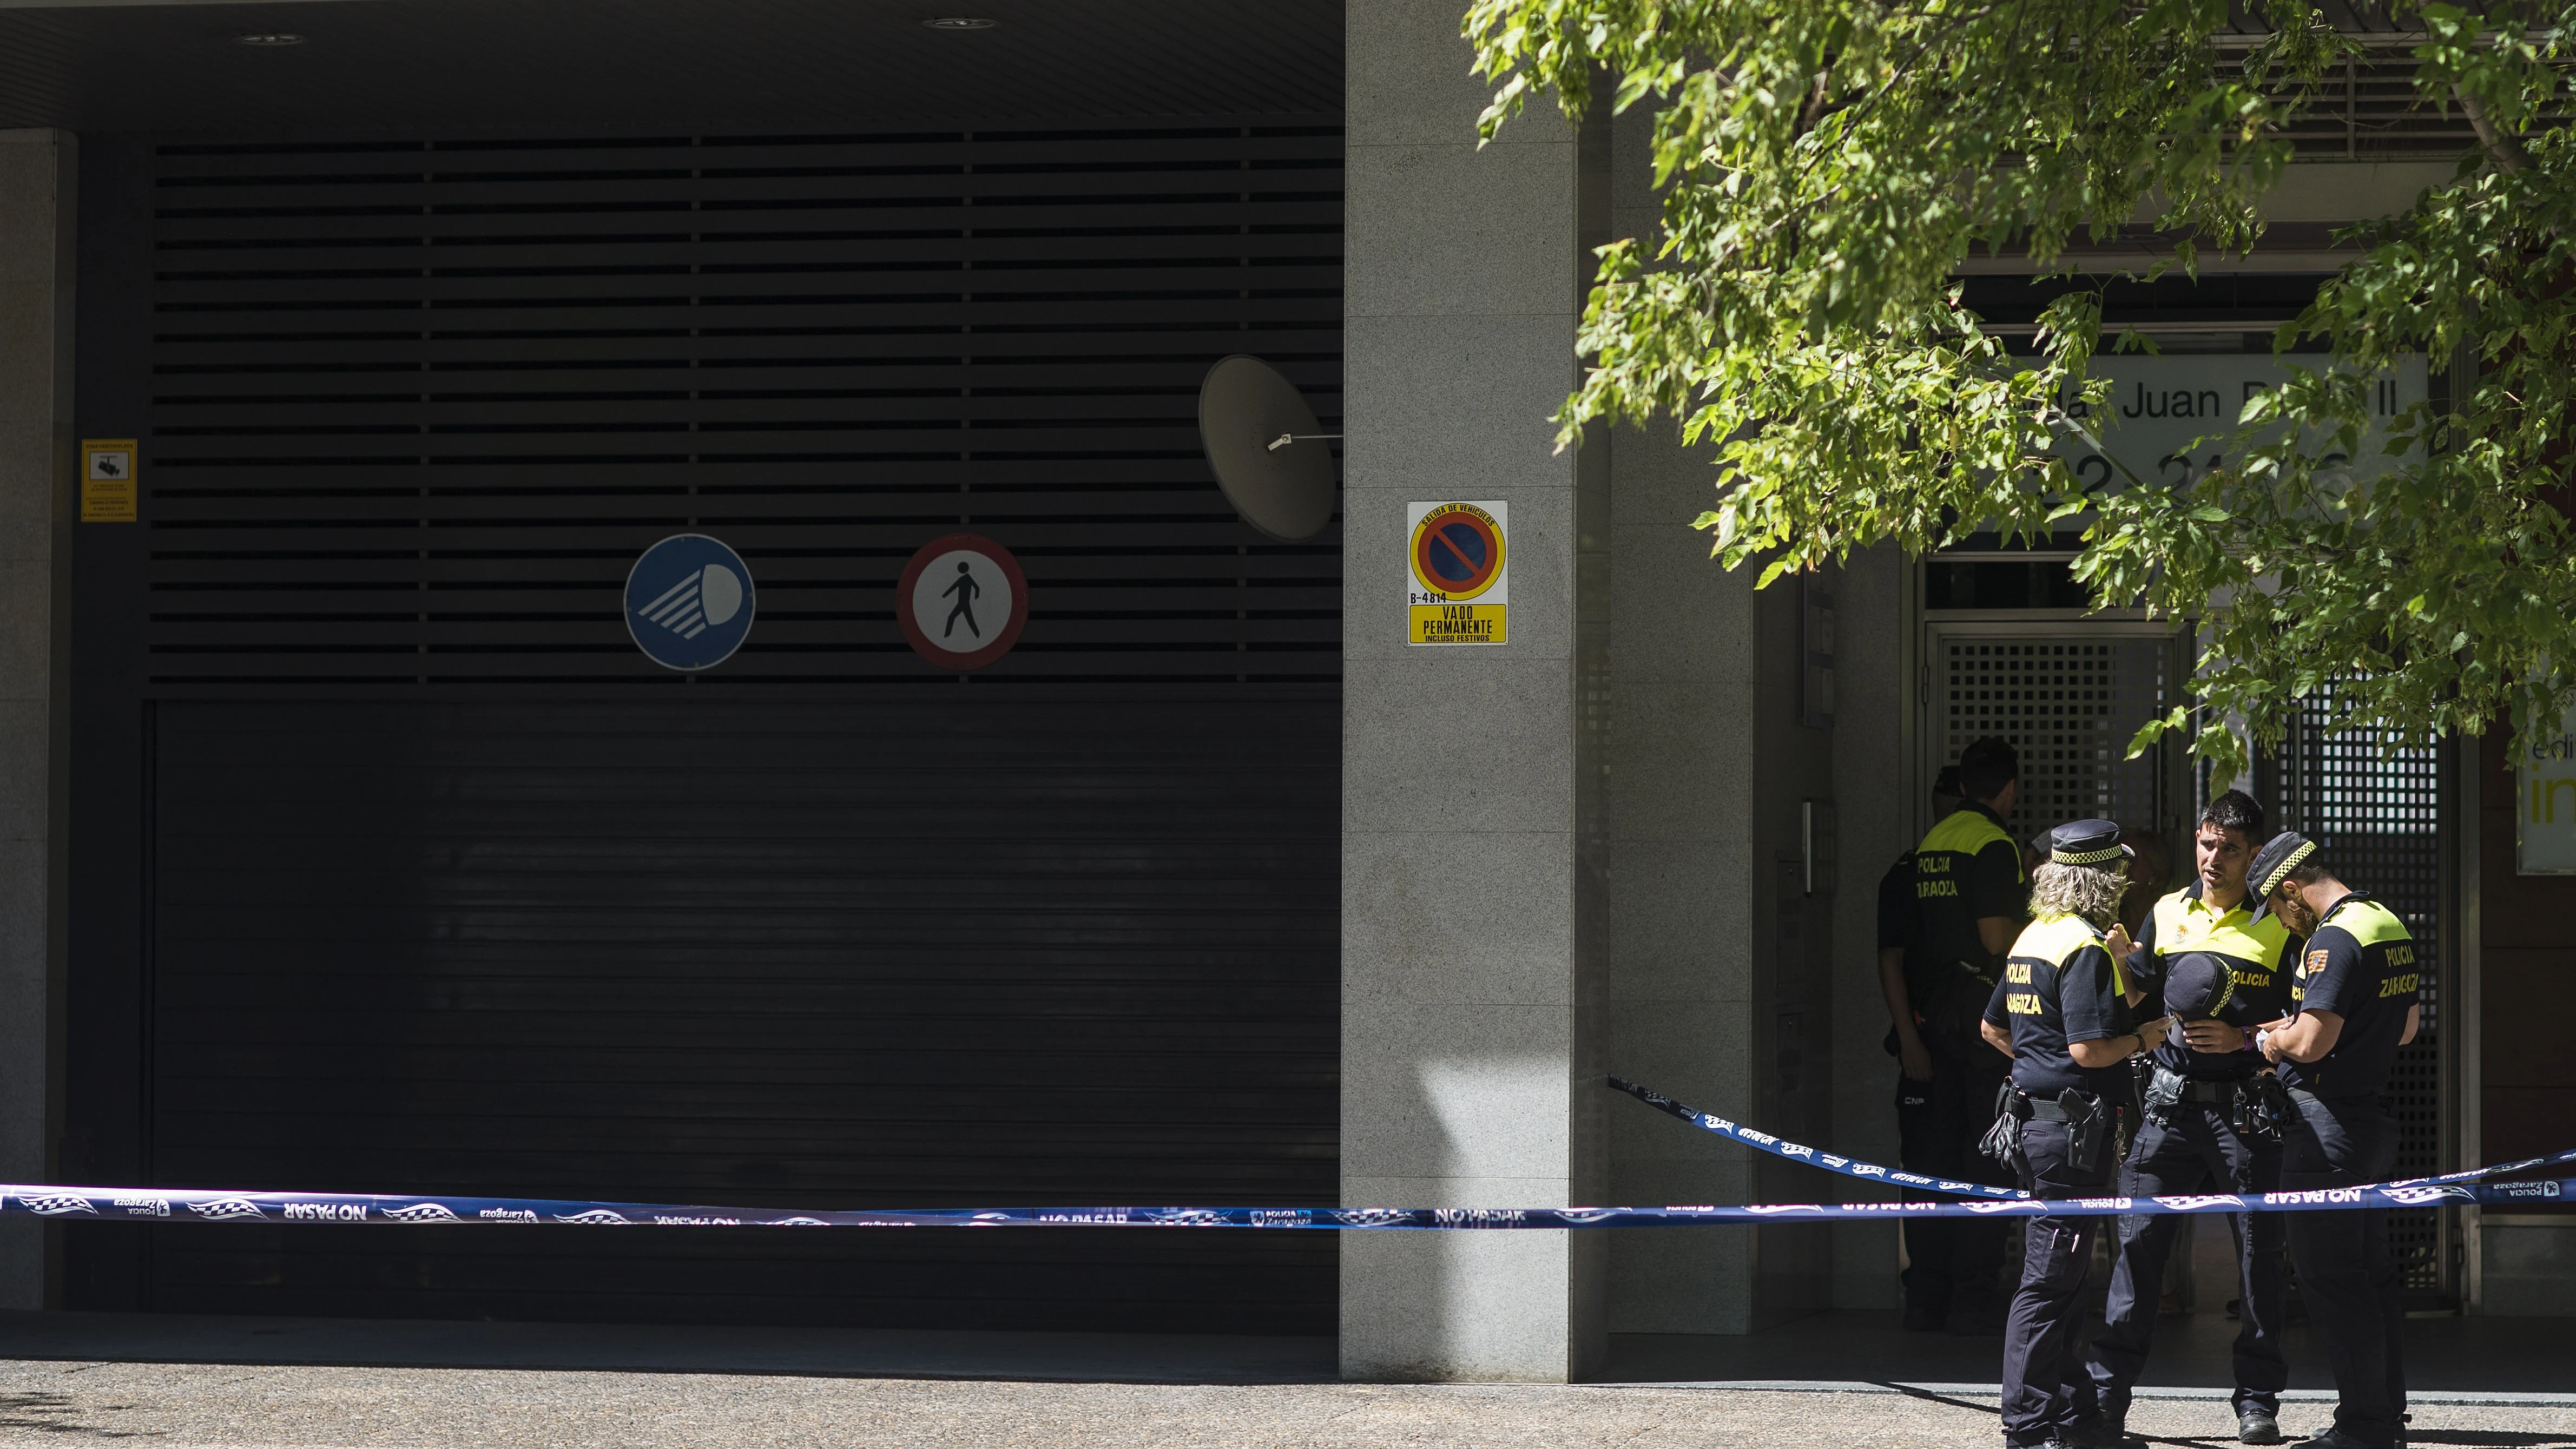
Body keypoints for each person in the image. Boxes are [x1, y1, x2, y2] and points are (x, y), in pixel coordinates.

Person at [2082, 791, 2299, 1446]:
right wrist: (2124, 961)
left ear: (2253, 854)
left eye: (2229, 849)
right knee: (2137, 1253)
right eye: (2206, 844)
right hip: (2169, 1108)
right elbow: (2142, 991)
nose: (2213, 858)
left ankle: (2258, 1401)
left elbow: (2306, 1019)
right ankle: (2107, 1396)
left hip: (2244, 1107)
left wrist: (2246, 1039)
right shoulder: (2167, 910)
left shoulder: (2279, 923)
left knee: (2261, 1259)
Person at [1979, 819, 2171, 1449]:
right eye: (2119, 873)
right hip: (2072, 1136)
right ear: (2102, 879)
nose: (2124, 882)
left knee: (2064, 1277)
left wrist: (2037, 1068)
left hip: (2037, 1125)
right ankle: (2029, 1425)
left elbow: (1994, 1029)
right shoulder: (2082, 947)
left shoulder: (2035, 936)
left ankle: (2074, 1413)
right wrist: (2146, 1037)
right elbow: (2090, 1050)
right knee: (2048, 1280)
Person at [2249, 833, 2423, 1449]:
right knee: (2372, 1275)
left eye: (2274, 906)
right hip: (2372, 1125)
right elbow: (2406, 1028)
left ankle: (2364, 1427)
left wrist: (2272, 1042)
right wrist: (2305, 1028)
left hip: (2326, 1131)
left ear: (2291, 890)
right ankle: (2382, 1413)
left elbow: (2313, 1043)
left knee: (2332, 1279)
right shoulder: (2386, 922)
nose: (2281, 921)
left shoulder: (2331, 938)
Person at [1896, 739, 2026, 1334]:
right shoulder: (1994, 843)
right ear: (2009, 789)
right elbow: (1997, 939)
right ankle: (1976, 1296)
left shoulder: (1931, 844)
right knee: (1989, 1162)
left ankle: (1927, 1295)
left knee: (1931, 1162)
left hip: (1932, 1023)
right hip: (1980, 1031)